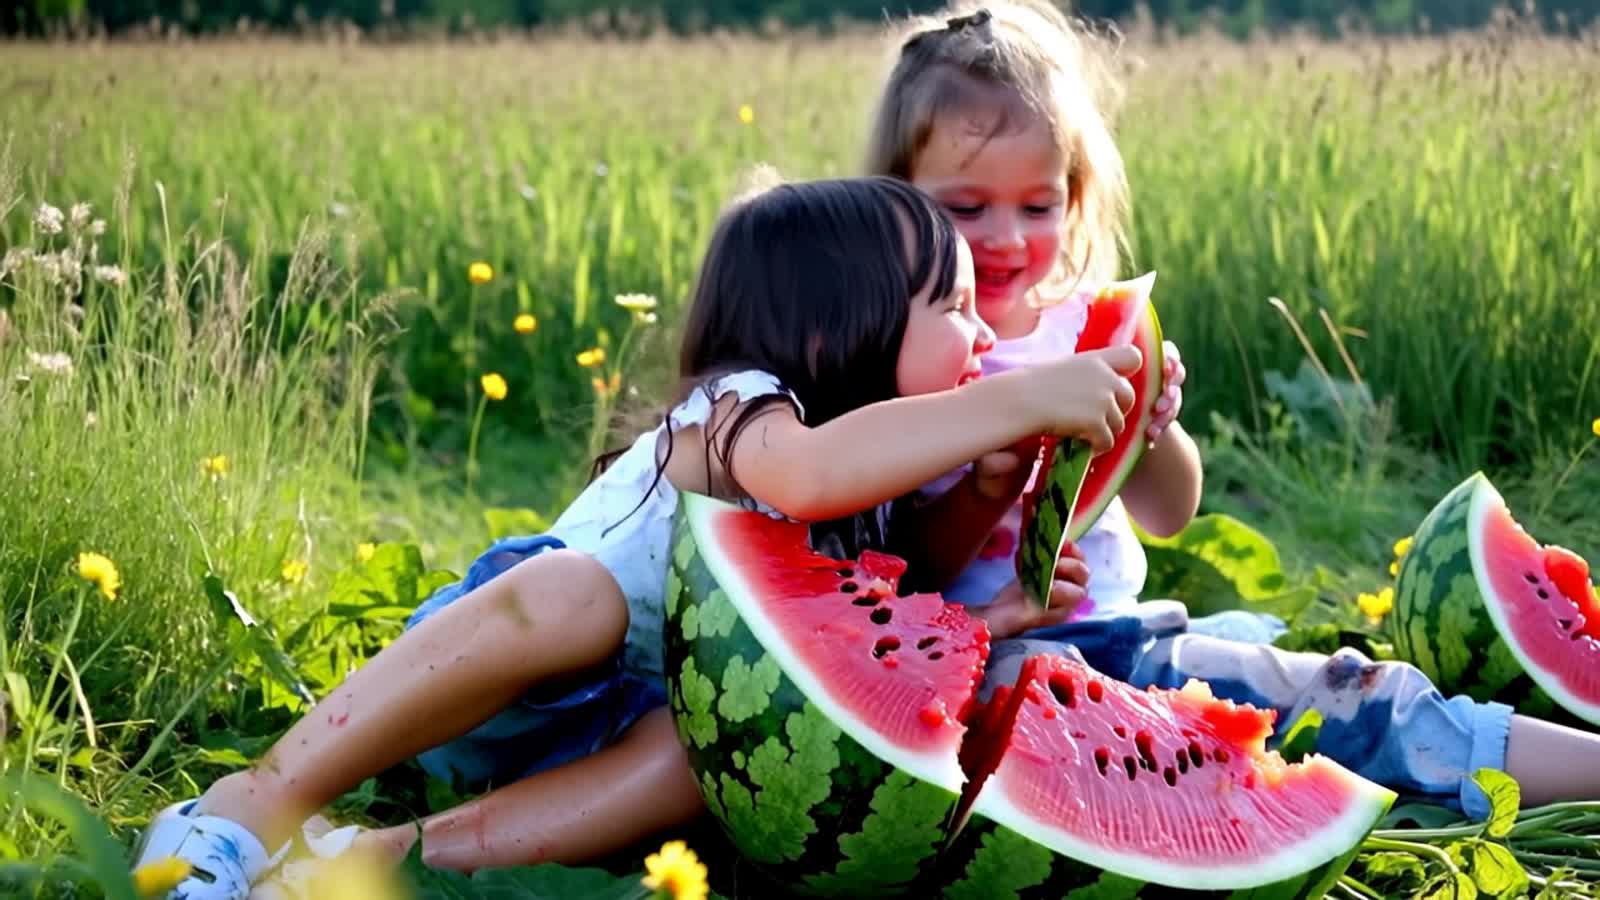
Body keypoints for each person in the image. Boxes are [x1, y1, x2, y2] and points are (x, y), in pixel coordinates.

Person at [130, 173, 1144, 898]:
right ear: (843, 331)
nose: (982, 336)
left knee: (700, 763)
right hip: (508, 671)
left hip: (620, 728)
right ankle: (244, 806)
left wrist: (994, 596)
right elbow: (807, 473)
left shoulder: (875, 492)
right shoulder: (747, 410)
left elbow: (874, 630)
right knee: (580, 593)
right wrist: (1020, 402)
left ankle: (376, 860)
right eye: (954, 307)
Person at [863, 0, 1600, 825]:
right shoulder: (904, 361)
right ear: (895, 199)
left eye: (1038, 207)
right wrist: (988, 488)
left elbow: (1171, 515)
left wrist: (1153, 428)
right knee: (1351, 705)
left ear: (1075, 197)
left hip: (1124, 633)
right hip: (998, 668)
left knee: (1345, 686)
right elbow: (902, 569)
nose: (1006, 238)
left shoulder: (1086, 329)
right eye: (966, 209)